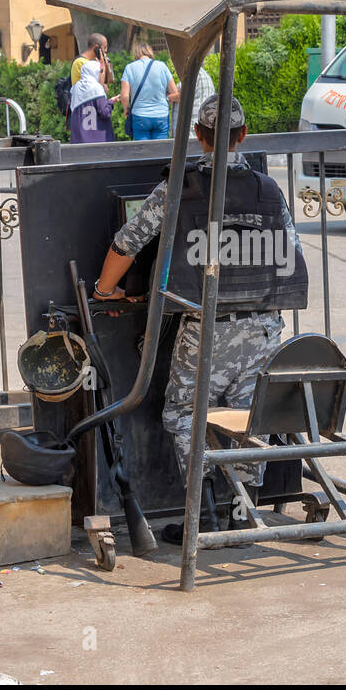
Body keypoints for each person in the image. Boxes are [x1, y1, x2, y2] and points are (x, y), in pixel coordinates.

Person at [92, 95, 308, 545]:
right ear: (243, 136)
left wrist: (105, 291)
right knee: (249, 418)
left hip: (206, 331)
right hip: (264, 330)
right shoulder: (269, 190)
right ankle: (242, 513)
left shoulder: (180, 187)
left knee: (185, 414)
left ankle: (202, 514)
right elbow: (291, 254)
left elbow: (128, 241)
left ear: (198, 135)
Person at [120, 43, 179, 140]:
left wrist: (126, 109)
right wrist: (165, 99)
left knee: (142, 149)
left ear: (136, 54)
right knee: (160, 149)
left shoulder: (129, 68)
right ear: (150, 52)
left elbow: (124, 96)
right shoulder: (162, 66)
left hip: (140, 116)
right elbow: (175, 93)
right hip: (161, 115)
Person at [67, 59, 115, 143]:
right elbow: (105, 112)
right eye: (100, 71)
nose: (102, 74)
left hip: (79, 140)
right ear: (94, 71)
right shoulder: (96, 88)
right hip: (98, 139)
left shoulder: (75, 88)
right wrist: (111, 102)